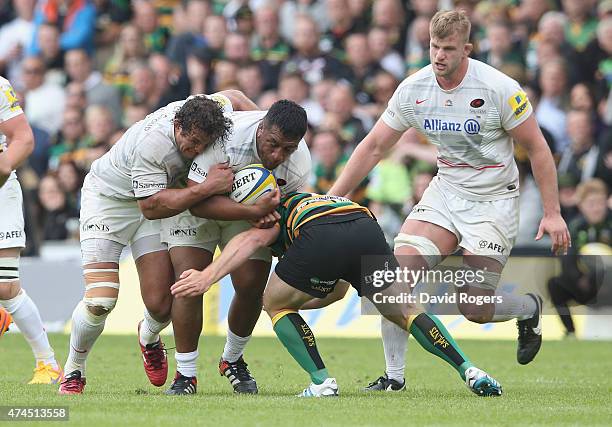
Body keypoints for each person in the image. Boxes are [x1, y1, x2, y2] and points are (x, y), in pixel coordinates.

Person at [327, 10, 570, 391]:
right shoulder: (414, 89)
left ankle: (527, 308)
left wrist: (553, 213)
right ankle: (394, 378)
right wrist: (331, 198)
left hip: (493, 201)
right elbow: (374, 146)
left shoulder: (498, 88)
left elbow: (537, 149)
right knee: (394, 282)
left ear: (467, 50)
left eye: (448, 48)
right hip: (445, 192)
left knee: (473, 309)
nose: (439, 55)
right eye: (433, 47)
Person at [171, 192, 502, 398]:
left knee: (272, 301)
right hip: (364, 225)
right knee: (405, 309)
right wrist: (301, 299)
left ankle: (321, 382)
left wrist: (207, 276)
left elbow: (250, 242)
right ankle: (471, 370)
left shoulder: (270, 213)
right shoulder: (311, 196)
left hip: (321, 234)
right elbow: (337, 290)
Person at [57, 91, 254, 395]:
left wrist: (264, 121)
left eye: (203, 144)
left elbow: (237, 97)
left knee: (162, 305)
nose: (196, 151)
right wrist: (206, 188)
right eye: (192, 143)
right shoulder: (154, 144)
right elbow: (150, 206)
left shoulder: (207, 111)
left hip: (160, 202)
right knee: (101, 299)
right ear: (177, 125)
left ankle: (148, 336)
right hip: (111, 201)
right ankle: (73, 371)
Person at [160, 100, 311, 395]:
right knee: (190, 279)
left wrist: (270, 216)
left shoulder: (300, 165)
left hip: (246, 213)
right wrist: (252, 212)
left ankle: (232, 359)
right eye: (273, 144)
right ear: (261, 127)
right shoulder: (228, 135)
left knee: (252, 284)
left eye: (288, 149)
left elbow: (282, 214)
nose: (277, 155)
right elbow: (197, 200)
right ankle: (186, 375)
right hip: (198, 205)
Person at [0, 75, 62, 383]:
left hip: (0, 192)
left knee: (6, 287)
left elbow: (23, 138)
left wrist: (3, 165)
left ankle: (47, 364)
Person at [547, 179, 612, 338]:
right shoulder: (574, 227)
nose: (597, 208)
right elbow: (566, 258)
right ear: (581, 205)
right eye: (591, 204)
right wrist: (579, 278)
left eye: (600, 203)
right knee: (555, 284)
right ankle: (570, 332)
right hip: (585, 285)